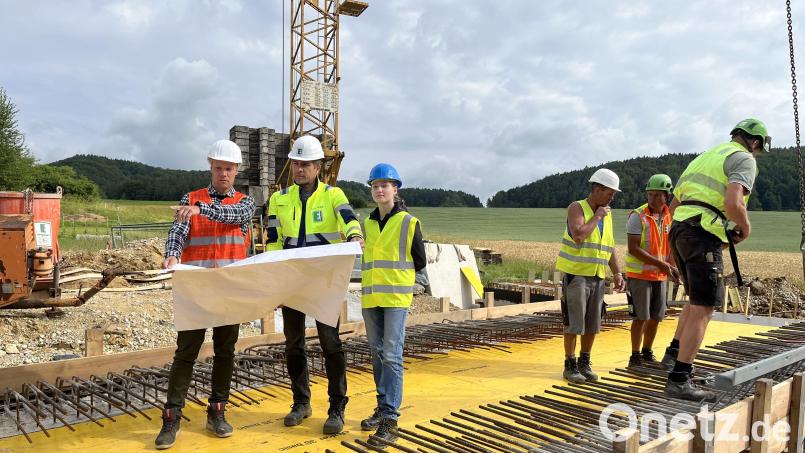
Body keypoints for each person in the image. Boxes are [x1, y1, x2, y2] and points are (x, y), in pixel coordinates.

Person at [156, 139, 256, 449]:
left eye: (228, 168)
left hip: (228, 290)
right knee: (186, 352)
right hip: (196, 289)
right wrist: (172, 254)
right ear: (210, 167)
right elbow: (178, 232)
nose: (223, 173)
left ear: (236, 171)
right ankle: (172, 416)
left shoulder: (244, 203)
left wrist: (200, 208)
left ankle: (217, 411)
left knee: (225, 351)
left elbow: (230, 217)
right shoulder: (191, 198)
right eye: (218, 168)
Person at [663, 119, 770, 401]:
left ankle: (674, 354)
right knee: (705, 306)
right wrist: (744, 228)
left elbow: (673, 206)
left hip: (680, 231)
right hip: (701, 234)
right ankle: (680, 378)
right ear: (756, 142)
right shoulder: (744, 158)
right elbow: (733, 203)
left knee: (694, 300)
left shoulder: (704, 157)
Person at [265, 135, 364, 434]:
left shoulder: (333, 195)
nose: (299, 169)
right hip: (293, 282)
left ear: (319, 166)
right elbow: (272, 241)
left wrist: (354, 236)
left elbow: (348, 220)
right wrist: (276, 281)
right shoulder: (278, 199)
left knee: (330, 343)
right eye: (295, 163)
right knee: (293, 345)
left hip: (323, 282)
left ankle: (336, 407)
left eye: (305, 164)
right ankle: (301, 403)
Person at [359, 163, 426, 446]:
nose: (379, 190)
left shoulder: (409, 222)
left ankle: (390, 419)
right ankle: (382, 404)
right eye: (375, 186)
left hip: (396, 298)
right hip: (372, 298)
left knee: (392, 355)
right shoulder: (368, 224)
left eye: (384, 185)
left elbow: (419, 260)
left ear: (395, 189)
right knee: (377, 354)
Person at [555, 168, 625, 384]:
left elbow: (609, 245)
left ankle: (585, 362)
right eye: (609, 192)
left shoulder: (607, 214)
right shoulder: (577, 207)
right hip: (576, 276)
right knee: (574, 323)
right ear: (597, 188)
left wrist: (617, 272)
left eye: (613, 194)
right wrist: (596, 216)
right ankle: (570, 364)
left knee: (593, 323)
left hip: (597, 276)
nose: (611, 197)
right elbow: (578, 235)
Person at [625, 174, 679, 367]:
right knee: (641, 317)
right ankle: (635, 356)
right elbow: (633, 248)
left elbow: (670, 246)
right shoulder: (637, 216)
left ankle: (647, 353)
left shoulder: (669, 217)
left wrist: (672, 267)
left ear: (667, 196)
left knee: (656, 317)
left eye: (658, 195)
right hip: (639, 276)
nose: (653, 199)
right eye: (650, 194)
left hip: (660, 276)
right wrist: (661, 265)